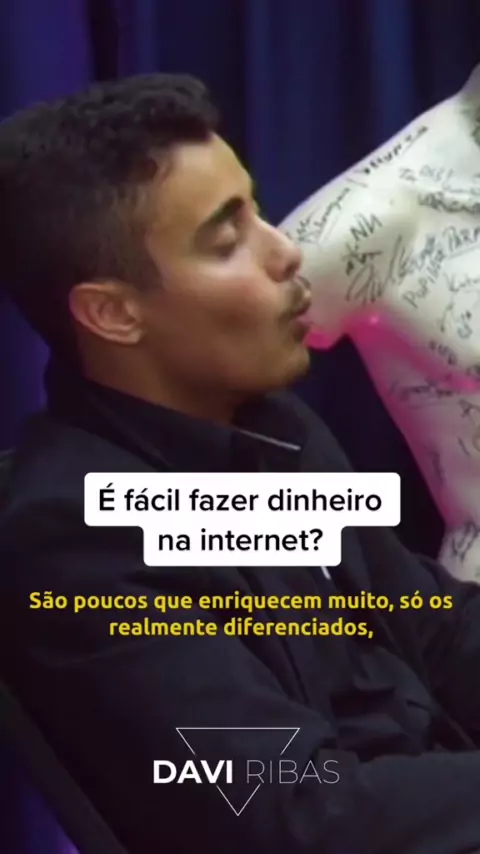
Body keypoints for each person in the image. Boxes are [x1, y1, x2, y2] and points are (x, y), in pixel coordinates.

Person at [0, 74, 479, 854]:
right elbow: (291, 811)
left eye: (256, 211)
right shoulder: (79, 541)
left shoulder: (270, 429)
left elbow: (436, 631)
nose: (286, 252)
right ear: (113, 313)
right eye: (227, 241)